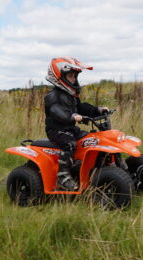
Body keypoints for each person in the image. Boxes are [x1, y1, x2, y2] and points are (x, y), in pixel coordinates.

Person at [44, 57, 108, 191]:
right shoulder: (52, 96)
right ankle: (63, 177)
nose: (74, 79)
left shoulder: (71, 95)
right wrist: (72, 116)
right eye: (71, 76)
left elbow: (81, 108)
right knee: (70, 144)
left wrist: (97, 110)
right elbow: (57, 111)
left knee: (91, 140)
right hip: (56, 130)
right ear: (59, 76)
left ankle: (92, 168)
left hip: (70, 128)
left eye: (75, 76)